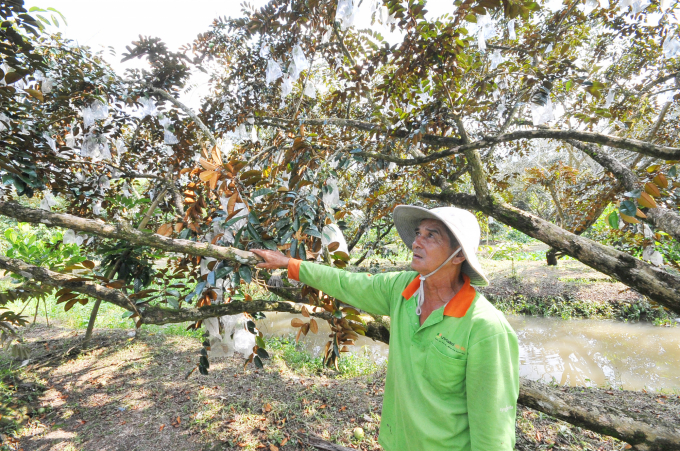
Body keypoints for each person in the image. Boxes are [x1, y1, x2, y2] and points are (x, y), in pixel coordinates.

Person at [253, 205, 519, 451]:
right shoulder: (402, 289)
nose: (416, 242)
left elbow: (494, 429)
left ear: (458, 254)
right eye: (418, 233)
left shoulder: (485, 328)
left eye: (431, 236)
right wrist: (290, 264)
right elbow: (347, 283)